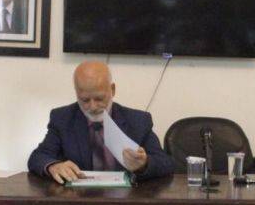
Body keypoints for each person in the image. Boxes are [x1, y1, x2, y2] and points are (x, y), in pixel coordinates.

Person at [28, 61, 174, 183]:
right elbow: (37, 157)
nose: (92, 107)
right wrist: (53, 166)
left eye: (99, 98)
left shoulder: (138, 120)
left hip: (126, 201)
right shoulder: (62, 118)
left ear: (112, 90)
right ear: (77, 93)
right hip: (78, 200)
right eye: (85, 100)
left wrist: (143, 164)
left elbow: (165, 164)